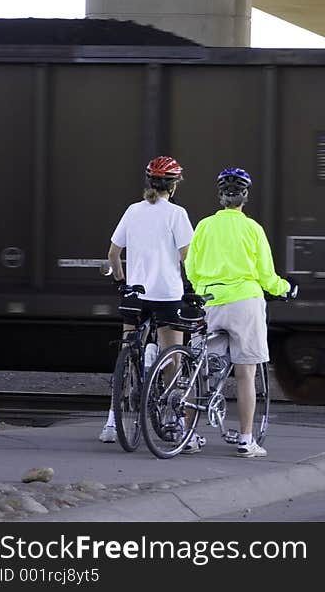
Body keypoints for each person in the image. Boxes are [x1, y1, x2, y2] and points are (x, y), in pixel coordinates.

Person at [184, 167, 295, 458]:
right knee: (246, 373)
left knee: (199, 370)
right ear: (244, 197)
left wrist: (203, 286)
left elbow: (191, 268)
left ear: (219, 197)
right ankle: (246, 440)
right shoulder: (253, 229)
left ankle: (189, 435)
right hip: (245, 303)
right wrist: (285, 289)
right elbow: (266, 275)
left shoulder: (204, 226)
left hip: (210, 301)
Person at [102, 156, 198, 448]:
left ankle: (110, 422)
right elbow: (187, 257)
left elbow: (113, 254)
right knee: (173, 356)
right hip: (167, 296)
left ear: (150, 183)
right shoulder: (177, 214)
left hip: (135, 295)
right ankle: (175, 419)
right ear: (174, 185)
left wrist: (121, 280)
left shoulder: (133, 211)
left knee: (126, 355)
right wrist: (193, 286)